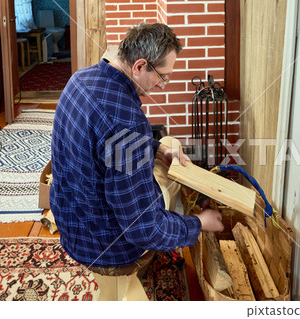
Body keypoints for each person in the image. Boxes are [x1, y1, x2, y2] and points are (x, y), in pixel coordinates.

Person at [50, 23, 224, 300]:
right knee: (154, 223)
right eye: (162, 76)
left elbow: (103, 139)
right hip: (104, 245)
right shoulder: (128, 124)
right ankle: (123, 286)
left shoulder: (81, 79)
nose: (162, 85)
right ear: (139, 66)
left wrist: (156, 149)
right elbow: (144, 229)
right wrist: (199, 223)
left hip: (72, 219)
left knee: (171, 144)